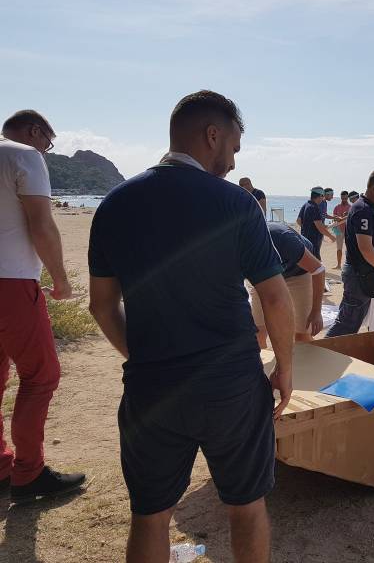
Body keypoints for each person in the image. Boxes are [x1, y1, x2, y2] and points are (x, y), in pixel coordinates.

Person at [88, 90, 294, 563]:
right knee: (246, 507)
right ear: (212, 135)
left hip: (152, 389)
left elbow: (102, 306)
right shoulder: (237, 204)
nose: (231, 160)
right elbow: (276, 298)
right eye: (234, 148)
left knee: (151, 515)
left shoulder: (115, 205)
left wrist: (142, 357)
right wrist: (285, 366)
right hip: (232, 386)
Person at [0, 110, 86, 502]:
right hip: (13, 281)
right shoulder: (23, 155)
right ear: (36, 131)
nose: (46, 153)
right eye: (48, 145)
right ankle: (28, 474)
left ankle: (2, 466)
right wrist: (61, 281)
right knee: (41, 375)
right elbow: (41, 223)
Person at [327, 170, 374, 337]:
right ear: (373, 188)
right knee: (347, 325)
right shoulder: (363, 209)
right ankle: (323, 357)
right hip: (361, 276)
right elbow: (365, 248)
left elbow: (369, 239)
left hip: (373, 274)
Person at [248, 222, 326, 345]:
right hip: (265, 278)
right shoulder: (238, 246)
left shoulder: (283, 239)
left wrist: (316, 311)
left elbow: (319, 270)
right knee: (257, 333)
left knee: (302, 335)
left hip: (299, 273)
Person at [297, 187, 335, 259]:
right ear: (320, 196)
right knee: (316, 263)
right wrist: (331, 236)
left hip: (304, 238)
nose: (323, 198)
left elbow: (298, 221)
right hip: (313, 241)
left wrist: (307, 228)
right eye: (322, 196)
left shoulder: (306, 204)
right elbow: (320, 227)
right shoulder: (314, 207)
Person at [332, 190, 352, 270]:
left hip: (348, 231)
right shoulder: (337, 207)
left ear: (347, 198)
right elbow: (334, 218)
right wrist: (337, 218)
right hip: (339, 230)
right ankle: (338, 265)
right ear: (340, 197)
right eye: (342, 198)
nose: (344, 199)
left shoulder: (351, 207)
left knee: (349, 248)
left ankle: (348, 265)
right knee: (339, 248)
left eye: (345, 198)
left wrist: (347, 215)